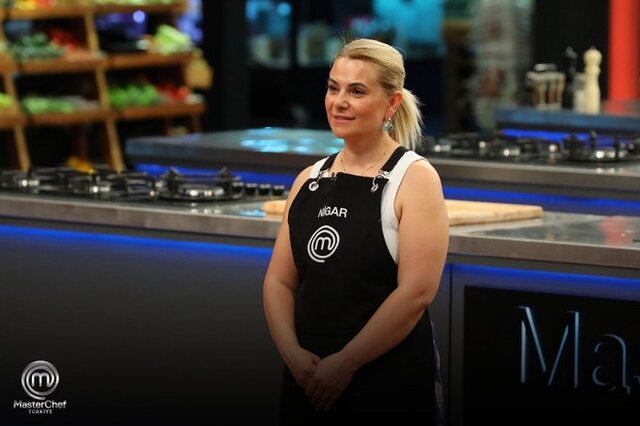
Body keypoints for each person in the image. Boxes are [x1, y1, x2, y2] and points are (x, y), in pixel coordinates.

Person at [262, 38, 449, 424]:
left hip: (386, 381)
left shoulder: (414, 178)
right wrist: (294, 356)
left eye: (357, 91)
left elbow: (415, 293)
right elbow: (279, 282)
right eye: (333, 88)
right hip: (309, 379)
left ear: (391, 103)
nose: (339, 102)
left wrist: (346, 363)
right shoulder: (309, 179)